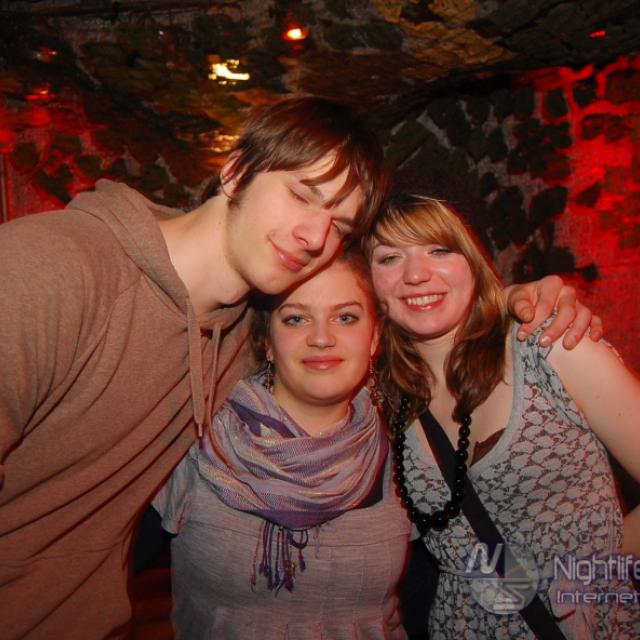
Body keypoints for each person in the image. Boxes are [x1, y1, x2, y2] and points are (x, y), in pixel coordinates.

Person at [0, 94, 597, 640]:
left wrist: (512, 299)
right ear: (235, 170)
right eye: (303, 193)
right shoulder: (54, 268)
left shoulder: (239, 332)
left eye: (340, 225)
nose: (315, 235)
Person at [365, 171, 640, 639]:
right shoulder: (380, 397)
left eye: (439, 249)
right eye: (389, 257)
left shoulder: (550, 348)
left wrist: (584, 578)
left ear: (474, 256)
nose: (415, 275)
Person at [153, 250, 412, 639]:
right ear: (268, 343)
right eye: (296, 318)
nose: (322, 338)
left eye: (345, 317)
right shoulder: (195, 444)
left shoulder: (406, 452)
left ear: (374, 336)